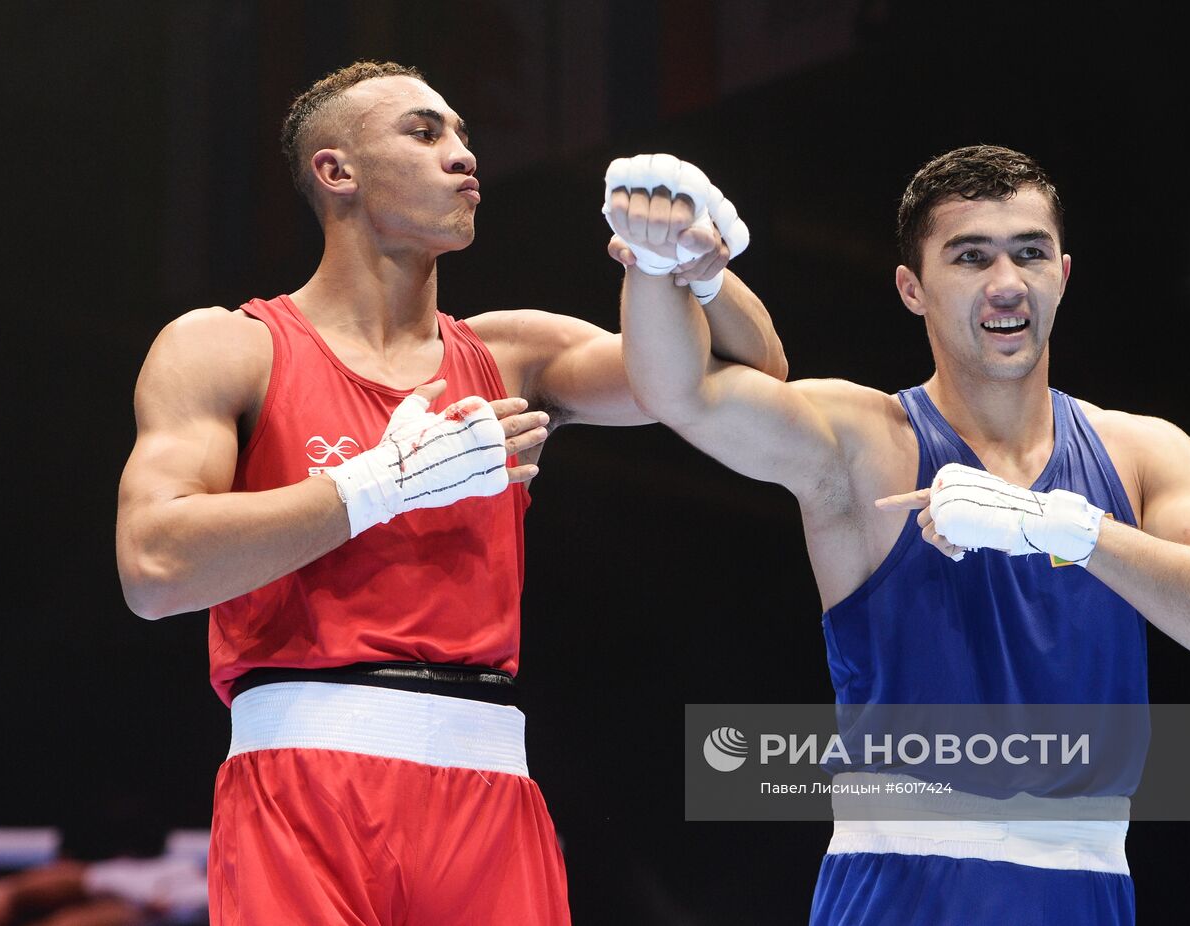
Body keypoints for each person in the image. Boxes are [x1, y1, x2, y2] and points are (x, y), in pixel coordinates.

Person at [114, 60, 785, 925]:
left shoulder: (510, 356)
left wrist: (693, 269)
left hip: (491, 789)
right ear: (336, 171)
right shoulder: (227, 348)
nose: (465, 156)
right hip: (305, 790)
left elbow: (750, 379)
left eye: (465, 136)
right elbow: (153, 567)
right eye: (426, 133)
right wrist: (377, 485)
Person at [612, 144, 1190, 924]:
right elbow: (682, 393)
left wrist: (1061, 527)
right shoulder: (868, 441)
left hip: (1085, 890)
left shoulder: (1141, 455)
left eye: (1029, 253)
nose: (1006, 284)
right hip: (903, 886)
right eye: (970, 257)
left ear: (1063, 276)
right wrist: (655, 260)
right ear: (913, 288)